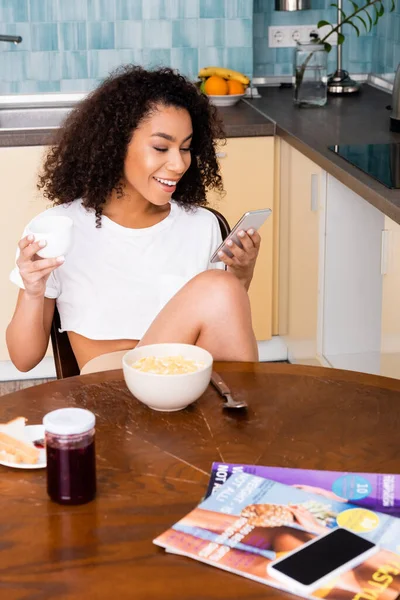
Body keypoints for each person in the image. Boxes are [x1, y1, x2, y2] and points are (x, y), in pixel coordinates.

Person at [6, 65, 260, 373]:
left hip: (186, 390)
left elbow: (221, 331)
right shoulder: (58, 229)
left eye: (186, 148)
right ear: (116, 144)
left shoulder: (201, 225)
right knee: (218, 287)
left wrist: (241, 275)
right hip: (110, 397)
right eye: (161, 147)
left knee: (221, 290)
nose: (179, 164)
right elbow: (23, 358)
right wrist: (34, 291)